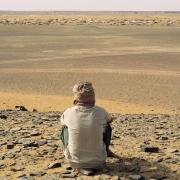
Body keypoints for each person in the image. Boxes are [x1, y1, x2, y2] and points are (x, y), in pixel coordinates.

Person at [60, 82, 114, 175]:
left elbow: (62, 121)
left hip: (74, 162)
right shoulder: (100, 111)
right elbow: (110, 120)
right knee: (107, 126)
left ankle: (73, 154)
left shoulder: (68, 112)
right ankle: (106, 150)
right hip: (99, 161)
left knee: (65, 128)